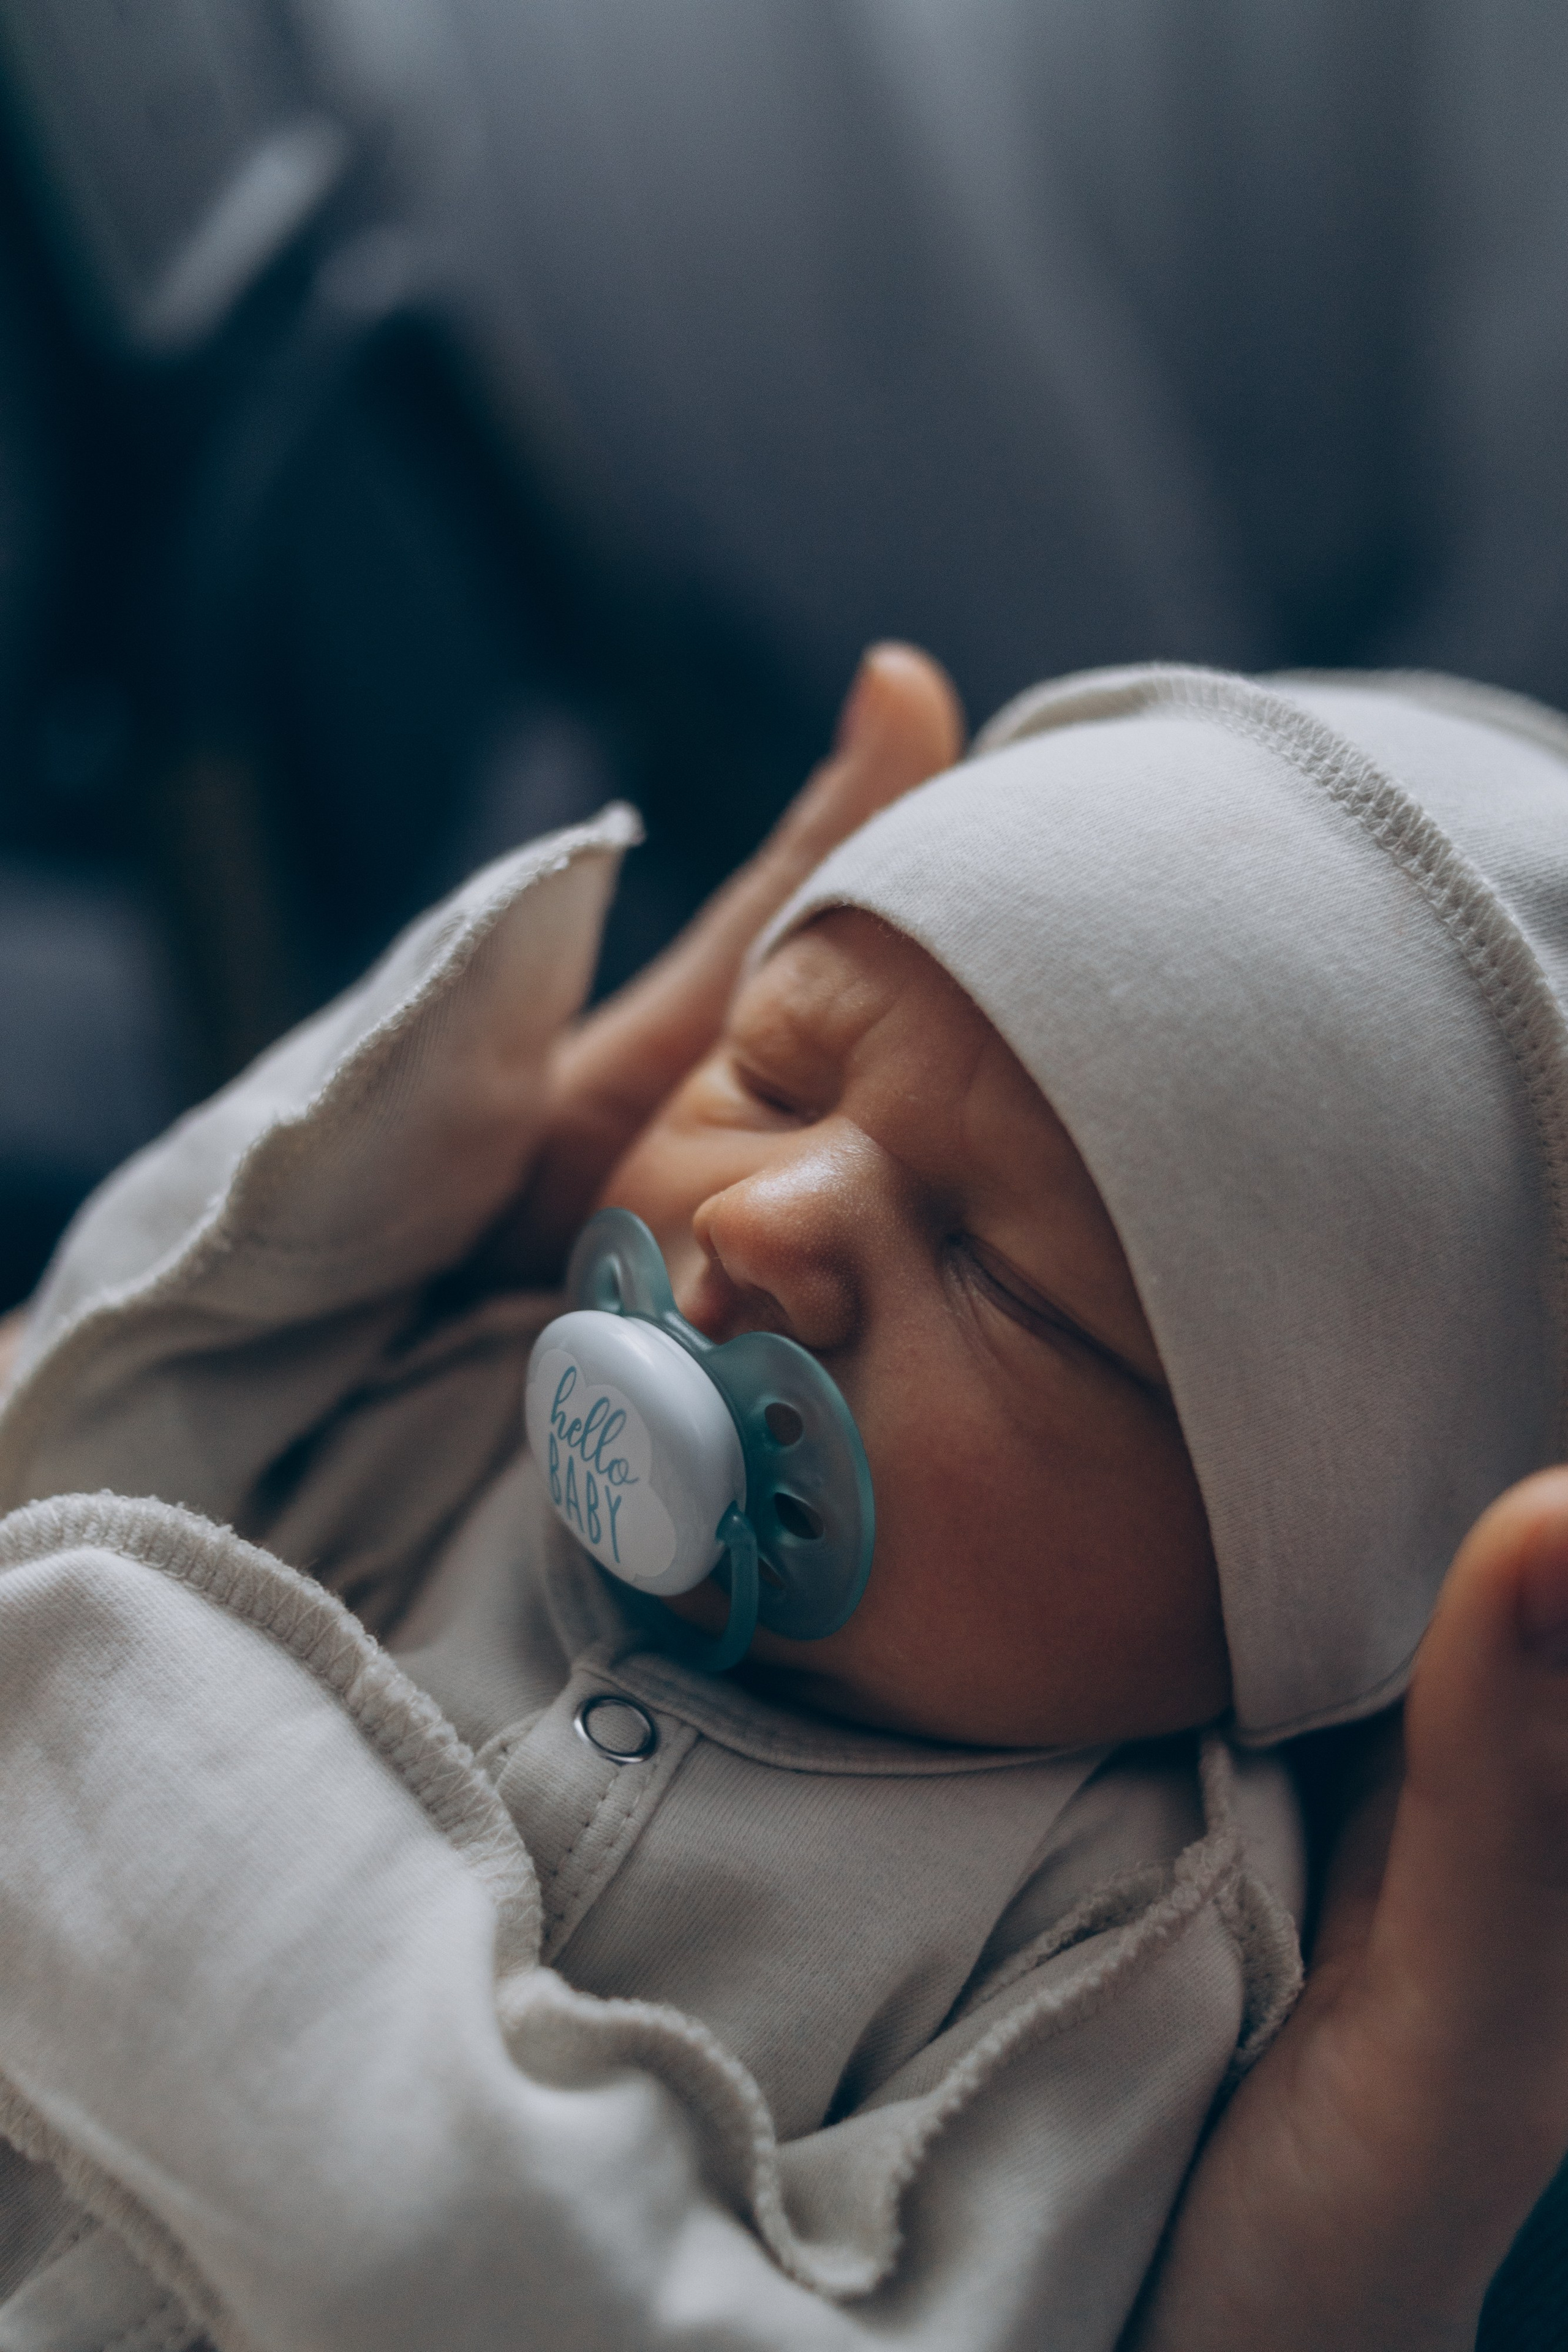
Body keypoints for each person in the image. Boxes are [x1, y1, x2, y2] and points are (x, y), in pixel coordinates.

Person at [0, 649, 1564, 2351]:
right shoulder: (427, 1397)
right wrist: (334, 1237)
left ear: (1293, 1591)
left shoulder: (1115, 1938)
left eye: (1017, 1291)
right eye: (771, 1080)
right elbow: (84, 1420)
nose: (763, 1222)